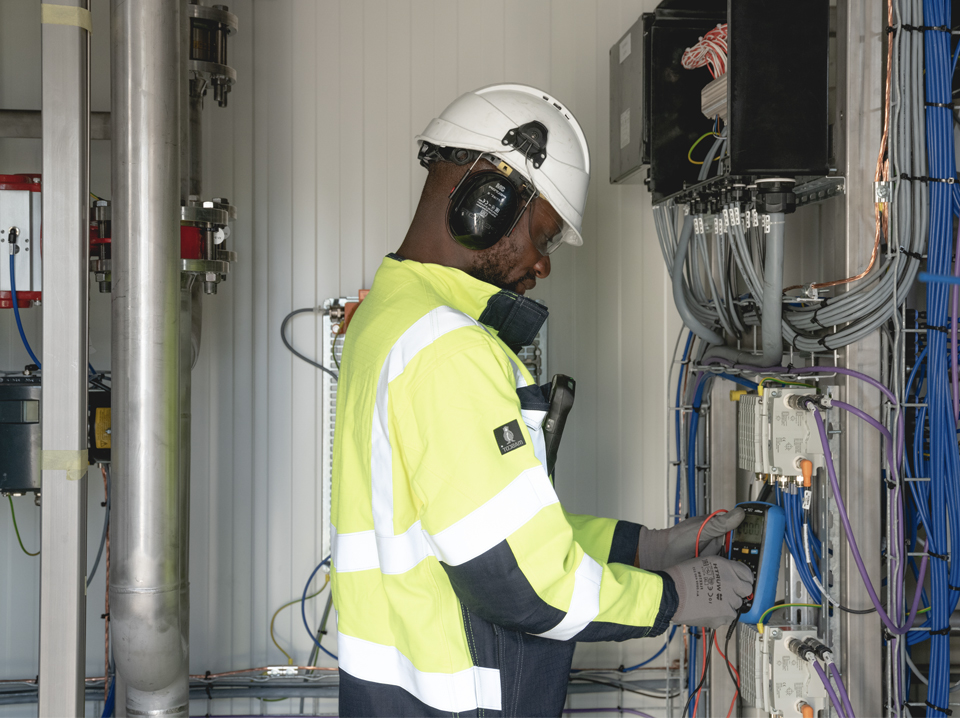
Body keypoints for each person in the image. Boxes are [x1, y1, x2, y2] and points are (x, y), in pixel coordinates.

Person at [330, 84, 752, 717]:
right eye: (544, 236)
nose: (542, 265)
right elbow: (522, 584)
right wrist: (670, 598)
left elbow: (478, 532)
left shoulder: (390, 318)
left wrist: (645, 547)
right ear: (487, 202)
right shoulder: (449, 349)